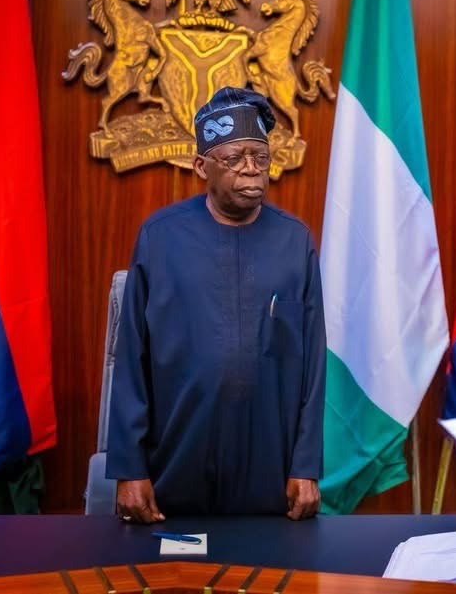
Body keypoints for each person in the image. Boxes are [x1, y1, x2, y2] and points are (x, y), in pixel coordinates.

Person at [106, 87, 326, 522]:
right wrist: (129, 468)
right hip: (175, 466)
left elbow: (314, 364)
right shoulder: (160, 238)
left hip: (271, 471)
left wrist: (306, 465)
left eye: (260, 157)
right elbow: (131, 357)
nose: (251, 169)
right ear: (201, 166)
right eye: (235, 158)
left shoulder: (295, 241)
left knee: (269, 565)